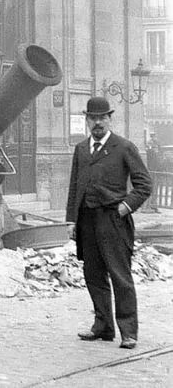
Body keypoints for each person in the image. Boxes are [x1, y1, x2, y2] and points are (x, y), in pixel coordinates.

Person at [65, 96, 152, 349]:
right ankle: (103, 326)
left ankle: (128, 331)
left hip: (114, 220)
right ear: (87, 120)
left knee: (119, 276)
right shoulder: (81, 149)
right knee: (93, 275)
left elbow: (144, 184)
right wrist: (71, 220)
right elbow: (74, 187)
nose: (98, 122)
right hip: (86, 221)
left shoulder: (124, 147)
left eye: (102, 117)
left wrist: (125, 207)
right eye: (93, 118)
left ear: (110, 119)